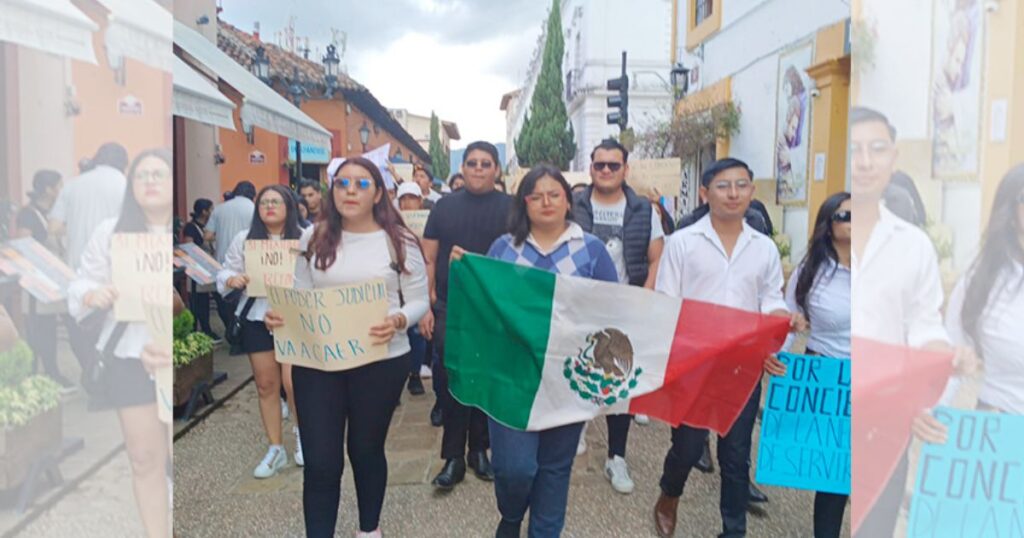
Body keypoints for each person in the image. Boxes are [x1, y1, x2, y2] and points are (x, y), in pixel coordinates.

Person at [265, 157, 429, 538]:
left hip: (380, 360)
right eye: (342, 184)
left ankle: (368, 530)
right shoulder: (313, 237)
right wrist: (283, 315)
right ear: (331, 191)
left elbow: (418, 298)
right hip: (319, 362)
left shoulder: (399, 240)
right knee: (322, 462)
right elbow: (300, 292)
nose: (350, 191)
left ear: (378, 194)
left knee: (366, 449)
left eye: (361, 184)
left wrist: (400, 319)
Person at [652, 157, 803, 538]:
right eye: (723, 185)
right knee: (687, 447)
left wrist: (781, 327)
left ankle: (733, 529)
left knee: (736, 455)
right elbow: (667, 301)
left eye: (741, 185)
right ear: (705, 193)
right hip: (695, 363)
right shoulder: (683, 243)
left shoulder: (764, 247)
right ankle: (669, 495)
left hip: (743, 364)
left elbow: (770, 299)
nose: (733, 193)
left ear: (752, 191)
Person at [848, 106, 972, 537]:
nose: (864, 162)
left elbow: (925, 327)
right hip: (835, 403)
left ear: (893, 158)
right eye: (853, 149)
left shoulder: (914, 246)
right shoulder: (829, 239)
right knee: (830, 507)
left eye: (876, 149)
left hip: (886, 414)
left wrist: (944, 358)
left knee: (876, 522)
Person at [485, 164, 618, 537]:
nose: (546, 202)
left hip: (569, 378)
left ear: (567, 201)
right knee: (515, 468)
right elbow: (484, 304)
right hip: (512, 377)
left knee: (555, 467)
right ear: (523, 203)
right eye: (536, 196)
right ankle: (511, 515)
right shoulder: (502, 248)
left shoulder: (591, 251)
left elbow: (614, 309)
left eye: (554, 194)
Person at [68, 148, 174, 538]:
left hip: (168, 355)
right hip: (128, 355)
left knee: (173, 457)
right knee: (144, 457)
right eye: (141, 174)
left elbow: (184, 301)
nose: (149, 181)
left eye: (159, 173)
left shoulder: (177, 238)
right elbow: (81, 281)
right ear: (131, 184)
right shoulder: (111, 232)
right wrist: (91, 294)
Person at [570, 139, 664, 494]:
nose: (606, 171)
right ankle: (576, 427)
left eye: (613, 165)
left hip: (626, 307)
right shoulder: (573, 205)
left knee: (621, 382)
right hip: (581, 305)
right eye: (599, 165)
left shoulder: (643, 210)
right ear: (591, 169)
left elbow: (656, 256)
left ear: (626, 169)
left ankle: (616, 457)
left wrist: (647, 295)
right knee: (578, 371)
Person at [421, 141, 513, 490]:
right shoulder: (443, 207)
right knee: (450, 380)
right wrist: (427, 302)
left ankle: (479, 450)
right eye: (471, 162)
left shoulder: (512, 207)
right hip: (450, 305)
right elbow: (429, 257)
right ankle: (453, 456)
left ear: (497, 170)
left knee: (485, 378)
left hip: (494, 309)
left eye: (485, 163)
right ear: (462, 168)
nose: (478, 168)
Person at [216, 185, 304, 478]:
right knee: (266, 385)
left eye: (275, 201)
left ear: (289, 206)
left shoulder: (304, 238)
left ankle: (303, 436)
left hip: (294, 319)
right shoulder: (245, 240)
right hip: (256, 317)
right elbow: (225, 271)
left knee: (294, 384)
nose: (269, 207)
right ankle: (275, 448)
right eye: (264, 202)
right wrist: (232, 279)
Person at [784, 192, 852, 538]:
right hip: (826, 372)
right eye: (846, 216)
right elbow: (786, 318)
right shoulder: (811, 271)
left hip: (875, 375)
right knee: (834, 472)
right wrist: (777, 360)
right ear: (829, 225)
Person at [15, 170, 73, 388]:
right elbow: (23, 244)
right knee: (39, 330)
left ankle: (50, 372)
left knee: (55, 327)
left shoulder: (55, 213)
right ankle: (38, 375)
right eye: (58, 186)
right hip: (37, 282)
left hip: (57, 278)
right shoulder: (29, 214)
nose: (60, 190)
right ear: (48, 189)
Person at [49, 142, 129, 270]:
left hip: (75, 264)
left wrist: (77, 226)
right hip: (111, 264)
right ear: (124, 163)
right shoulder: (127, 186)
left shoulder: (72, 185)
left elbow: (53, 227)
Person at [207, 180, 256, 333]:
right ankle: (240, 334)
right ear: (253, 195)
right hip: (248, 266)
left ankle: (232, 332)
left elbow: (207, 235)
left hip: (222, 264)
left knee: (225, 301)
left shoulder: (219, 209)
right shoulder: (255, 209)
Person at [181, 199, 220, 341]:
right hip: (197, 270)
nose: (212, 212)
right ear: (204, 211)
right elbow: (188, 247)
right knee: (199, 302)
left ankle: (205, 329)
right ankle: (199, 330)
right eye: (211, 209)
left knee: (209, 300)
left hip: (209, 268)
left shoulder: (208, 226)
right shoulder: (191, 227)